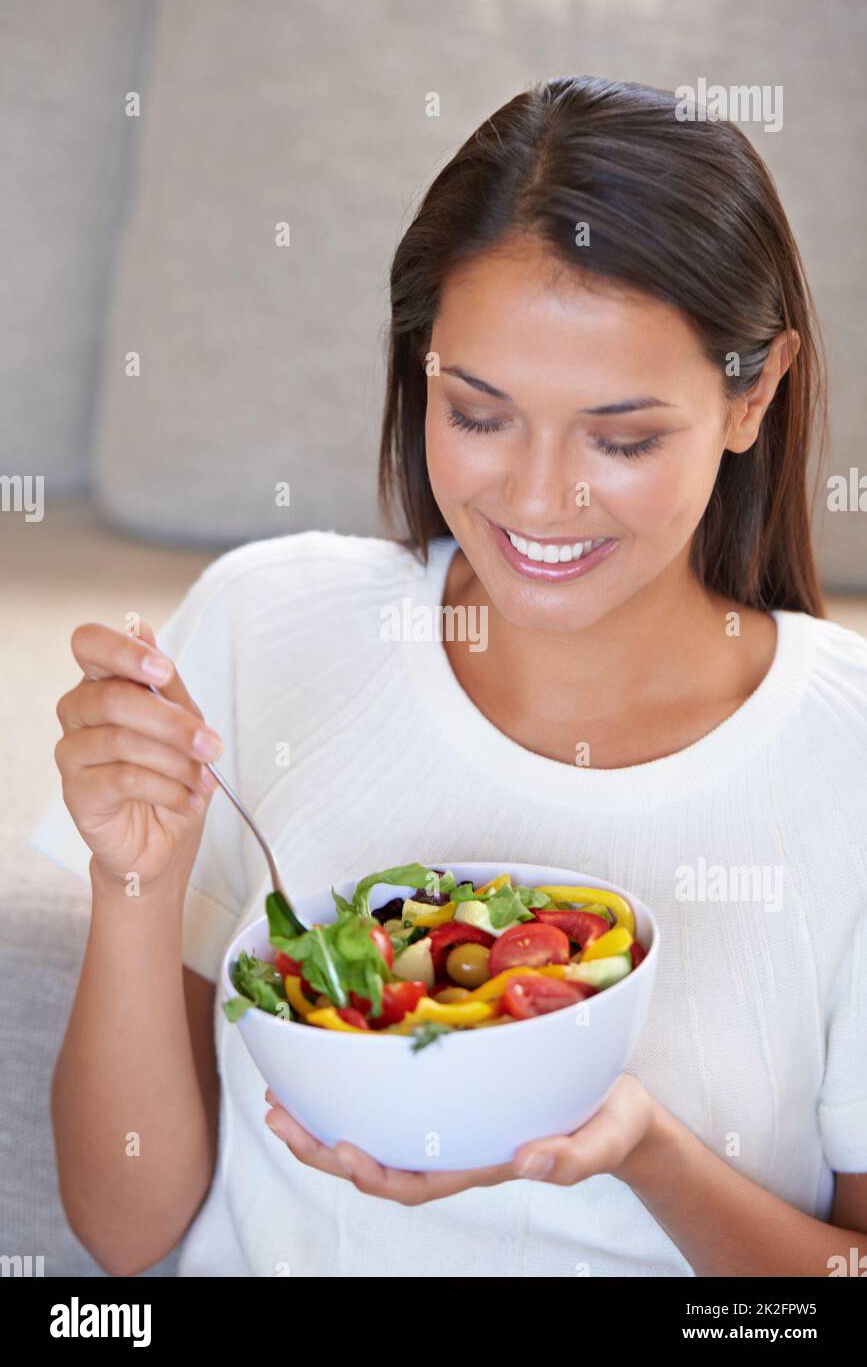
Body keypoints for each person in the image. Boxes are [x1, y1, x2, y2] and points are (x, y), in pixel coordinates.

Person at [37, 75, 867, 1277]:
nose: (538, 501)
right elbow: (122, 1234)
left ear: (753, 393)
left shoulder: (845, 757)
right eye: (480, 414)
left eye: (623, 438)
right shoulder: (265, 622)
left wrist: (645, 1151)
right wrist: (135, 883)